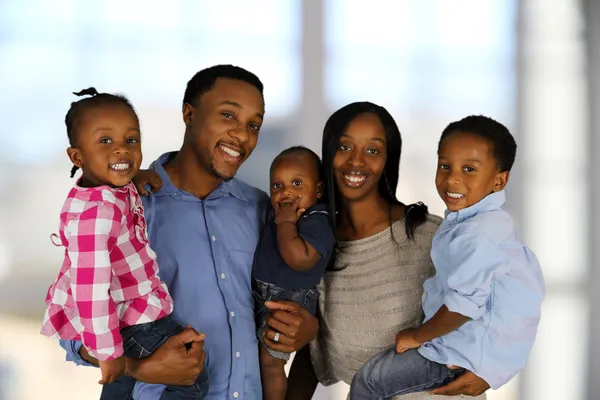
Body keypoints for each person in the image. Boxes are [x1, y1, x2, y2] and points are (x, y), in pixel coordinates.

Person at [59, 65, 319, 400]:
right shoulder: (126, 207)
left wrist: (307, 329)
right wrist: (136, 367)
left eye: (253, 125)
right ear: (189, 114)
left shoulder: (264, 211)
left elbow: (296, 294)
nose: (243, 135)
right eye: (228, 115)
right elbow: (72, 328)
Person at [285, 102, 491, 400]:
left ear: (388, 160)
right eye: (344, 147)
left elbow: (493, 305)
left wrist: (490, 369)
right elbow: (310, 353)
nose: (356, 162)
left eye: (372, 150)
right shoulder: (314, 248)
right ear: (328, 153)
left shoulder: (429, 237)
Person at [349, 115, 545, 399]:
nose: (452, 178)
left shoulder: (479, 236)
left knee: (370, 382)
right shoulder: (476, 225)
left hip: (457, 357)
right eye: (445, 166)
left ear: (499, 180)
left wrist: (418, 336)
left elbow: (461, 307)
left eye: (469, 169)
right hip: (460, 350)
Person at [41, 87, 209, 399]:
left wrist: (135, 176)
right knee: (192, 377)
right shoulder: (97, 216)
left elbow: (116, 172)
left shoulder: (103, 188)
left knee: (121, 387)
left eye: (131, 141)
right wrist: (108, 352)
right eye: (106, 141)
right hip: (126, 319)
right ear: (77, 156)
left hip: (125, 313)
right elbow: (90, 290)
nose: (122, 151)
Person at [252, 146, 335, 400]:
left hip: (288, 300)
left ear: (318, 190)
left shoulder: (318, 219)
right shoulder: (279, 214)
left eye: (297, 183)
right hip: (264, 294)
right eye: (277, 186)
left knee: (271, 363)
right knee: (259, 359)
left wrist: (286, 223)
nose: (286, 192)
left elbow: (300, 259)